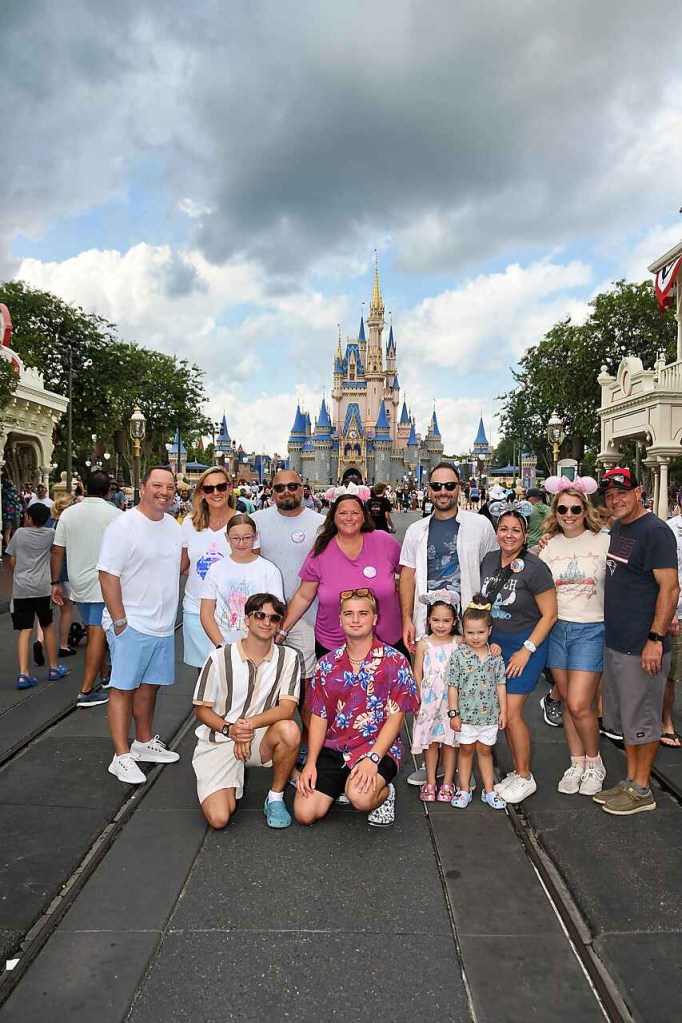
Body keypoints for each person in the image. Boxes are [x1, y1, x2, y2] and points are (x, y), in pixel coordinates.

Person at [399, 461, 498, 787]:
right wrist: (406, 618)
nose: (443, 492)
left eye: (449, 486)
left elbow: (494, 567)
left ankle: (468, 762)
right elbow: (408, 576)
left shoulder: (479, 525)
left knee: (471, 693)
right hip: (431, 625)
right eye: (437, 486)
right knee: (433, 693)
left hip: (468, 627)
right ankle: (436, 764)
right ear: (428, 490)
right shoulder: (416, 530)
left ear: (460, 488)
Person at [294, 588, 419, 827]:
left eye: (363, 613)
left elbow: (396, 718)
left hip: (377, 746)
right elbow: (319, 716)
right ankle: (343, 782)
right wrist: (310, 763)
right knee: (304, 813)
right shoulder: (326, 664)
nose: (355, 619)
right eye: (349, 614)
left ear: (375, 619)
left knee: (360, 799)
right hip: (336, 746)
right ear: (340, 620)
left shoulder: (395, 661)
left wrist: (373, 759)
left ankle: (384, 793)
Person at [594, 467, 679, 815]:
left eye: (622, 493)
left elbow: (670, 588)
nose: (615, 500)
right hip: (617, 641)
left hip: (642, 646)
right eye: (610, 495)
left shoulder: (655, 532)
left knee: (643, 719)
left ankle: (643, 789)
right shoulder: (619, 527)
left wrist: (655, 638)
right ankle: (631, 780)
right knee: (627, 720)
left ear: (638, 492)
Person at [98, 466, 183, 784]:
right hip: (132, 623)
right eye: (157, 485)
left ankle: (143, 742)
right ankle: (121, 756)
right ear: (143, 488)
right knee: (123, 688)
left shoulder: (173, 526)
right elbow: (107, 575)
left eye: (170, 487)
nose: (164, 492)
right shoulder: (123, 526)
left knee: (150, 686)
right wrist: (120, 620)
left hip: (162, 625)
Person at [192, 593, 302, 830]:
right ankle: (222, 779)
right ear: (247, 620)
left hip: (258, 735)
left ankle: (275, 797)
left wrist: (246, 725)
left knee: (290, 730)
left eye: (274, 618)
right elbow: (201, 709)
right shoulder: (219, 657)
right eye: (260, 615)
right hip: (220, 739)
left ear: (279, 624)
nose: (267, 622)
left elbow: (287, 708)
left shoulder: (289, 657)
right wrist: (230, 730)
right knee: (219, 818)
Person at [480, 500, 557, 803]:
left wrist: (527, 649)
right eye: (504, 529)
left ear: (525, 535)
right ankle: (516, 770)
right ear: (496, 532)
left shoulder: (535, 568)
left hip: (526, 645)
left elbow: (549, 614)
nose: (509, 535)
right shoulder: (489, 560)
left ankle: (525, 776)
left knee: (511, 714)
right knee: (503, 713)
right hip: (496, 645)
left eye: (516, 530)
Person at [538, 476, 610, 795]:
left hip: (592, 628)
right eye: (563, 509)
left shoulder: (603, 541)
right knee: (568, 702)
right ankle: (576, 762)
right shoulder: (548, 547)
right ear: (555, 511)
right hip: (557, 628)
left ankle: (594, 762)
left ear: (585, 510)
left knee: (581, 703)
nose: (569, 514)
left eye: (575, 509)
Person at [279, 489, 403, 658]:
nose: (349, 518)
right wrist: (282, 630)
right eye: (343, 513)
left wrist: (409, 617)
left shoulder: (384, 541)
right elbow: (304, 596)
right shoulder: (321, 550)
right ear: (333, 518)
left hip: (386, 642)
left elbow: (408, 577)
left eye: (355, 513)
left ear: (364, 517)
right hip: (334, 645)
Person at [52, 470, 122, 708]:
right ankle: (86, 690)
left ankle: (105, 674)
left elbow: (57, 550)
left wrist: (55, 582)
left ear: (85, 488)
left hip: (78, 581)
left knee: (93, 630)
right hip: (104, 581)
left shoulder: (69, 513)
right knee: (97, 633)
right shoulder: (115, 515)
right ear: (109, 490)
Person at [252, 469, 324, 688]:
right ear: (272, 492)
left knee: (305, 683)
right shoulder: (255, 521)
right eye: (280, 487)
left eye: (292, 486)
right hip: (264, 617)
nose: (286, 491)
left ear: (302, 489)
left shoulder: (321, 524)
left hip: (306, 617)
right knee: (263, 683)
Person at [446, 596, 508, 809]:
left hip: (489, 716)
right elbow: (452, 686)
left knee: (485, 751)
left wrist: (503, 711)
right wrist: (453, 713)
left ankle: (489, 790)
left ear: (489, 631)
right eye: (470, 632)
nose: (475, 637)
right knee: (465, 750)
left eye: (480, 632)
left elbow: (500, 684)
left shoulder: (495, 656)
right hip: (465, 717)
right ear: (463, 631)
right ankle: (464, 789)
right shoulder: (458, 656)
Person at [7, 502, 70, 689]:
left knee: (25, 630)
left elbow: (11, 560)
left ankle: (23, 674)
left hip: (22, 588)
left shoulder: (19, 534)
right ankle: (53, 668)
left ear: (28, 518)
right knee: (47, 625)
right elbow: (57, 552)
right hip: (42, 587)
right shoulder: (50, 534)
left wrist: (18, 573)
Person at [199, 513, 283, 647]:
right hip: (223, 644)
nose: (241, 543)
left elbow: (275, 613)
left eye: (247, 537)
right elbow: (206, 613)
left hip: (259, 647)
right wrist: (221, 646)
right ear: (227, 537)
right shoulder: (216, 569)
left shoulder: (269, 570)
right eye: (236, 538)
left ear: (255, 536)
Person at [180, 467, 235, 670]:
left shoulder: (242, 522)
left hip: (230, 613)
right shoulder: (189, 523)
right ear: (202, 492)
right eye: (209, 488)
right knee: (204, 674)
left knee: (230, 673)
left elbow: (251, 565)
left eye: (221, 486)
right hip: (196, 609)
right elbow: (183, 565)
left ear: (230, 488)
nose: (216, 493)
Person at [410, 591, 461, 803]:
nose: (441, 625)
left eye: (446, 620)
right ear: (429, 620)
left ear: (454, 621)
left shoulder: (459, 642)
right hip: (430, 702)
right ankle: (430, 781)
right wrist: (417, 698)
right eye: (436, 620)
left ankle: (448, 782)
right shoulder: (424, 644)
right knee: (431, 742)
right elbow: (417, 672)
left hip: (451, 702)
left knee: (450, 742)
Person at [46, 492, 78, 660]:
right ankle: (63, 645)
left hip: (44, 572)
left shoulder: (47, 522)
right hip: (64, 572)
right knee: (66, 610)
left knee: (44, 611)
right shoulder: (67, 525)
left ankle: (40, 640)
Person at [663, 498, 682, 747]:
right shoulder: (669, 530)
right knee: (670, 672)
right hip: (678, 612)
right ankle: (665, 722)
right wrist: (670, 612)